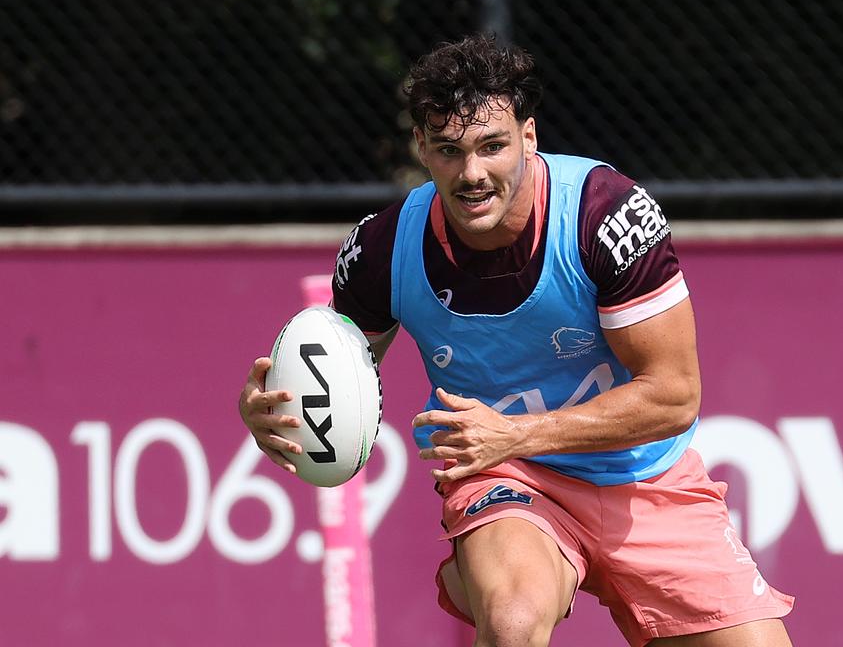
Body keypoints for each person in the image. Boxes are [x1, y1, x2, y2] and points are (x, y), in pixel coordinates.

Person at [238, 35, 794, 647]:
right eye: (449, 150)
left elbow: (674, 396)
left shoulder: (606, 216)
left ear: (529, 137)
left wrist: (518, 430)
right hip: (507, 475)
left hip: (645, 478)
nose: (472, 174)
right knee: (512, 624)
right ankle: (488, 563)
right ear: (422, 146)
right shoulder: (381, 250)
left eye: (492, 146)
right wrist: (277, 413)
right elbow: (333, 379)